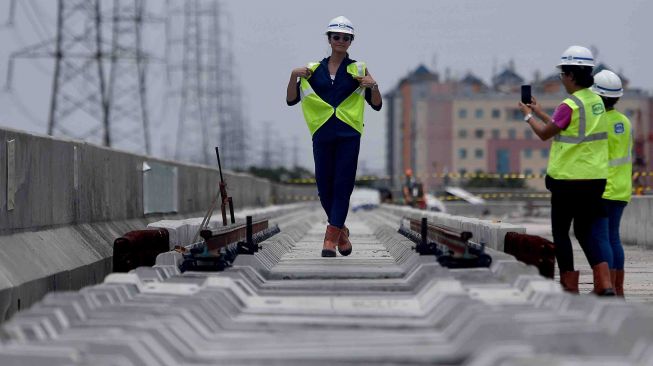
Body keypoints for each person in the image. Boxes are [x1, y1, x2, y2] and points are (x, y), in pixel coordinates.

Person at [518, 45, 614, 296]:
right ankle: (604, 284)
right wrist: (539, 111)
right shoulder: (597, 103)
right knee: (585, 231)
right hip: (595, 180)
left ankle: (569, 286)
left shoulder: (569, 104)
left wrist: (528, 116)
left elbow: (545, 133)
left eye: (562, 74)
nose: (561, 79)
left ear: (571, 75)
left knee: (561, 233)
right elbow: (567, 126)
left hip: (568, 181)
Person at [286, 16, 382, 257]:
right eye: (336, 36)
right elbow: (291, 100)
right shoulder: (312, 70)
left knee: (343, 185)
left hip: (349, 133)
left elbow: (377, 105)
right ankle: (342, 233)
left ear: (351, 41)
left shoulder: (358, 68)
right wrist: (293, 76)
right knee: (324, 187)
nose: (341, 41)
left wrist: (374, 85)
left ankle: (329, 240)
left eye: (346, 38)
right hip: (322, 132)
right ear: (329, 39)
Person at [590, 70, 632, 297]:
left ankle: (605, 287)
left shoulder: (598, 122)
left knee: (601, 238)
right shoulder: (624, 121)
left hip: (603, 189)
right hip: (622, 188)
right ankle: (618, 289)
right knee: (614, 238)